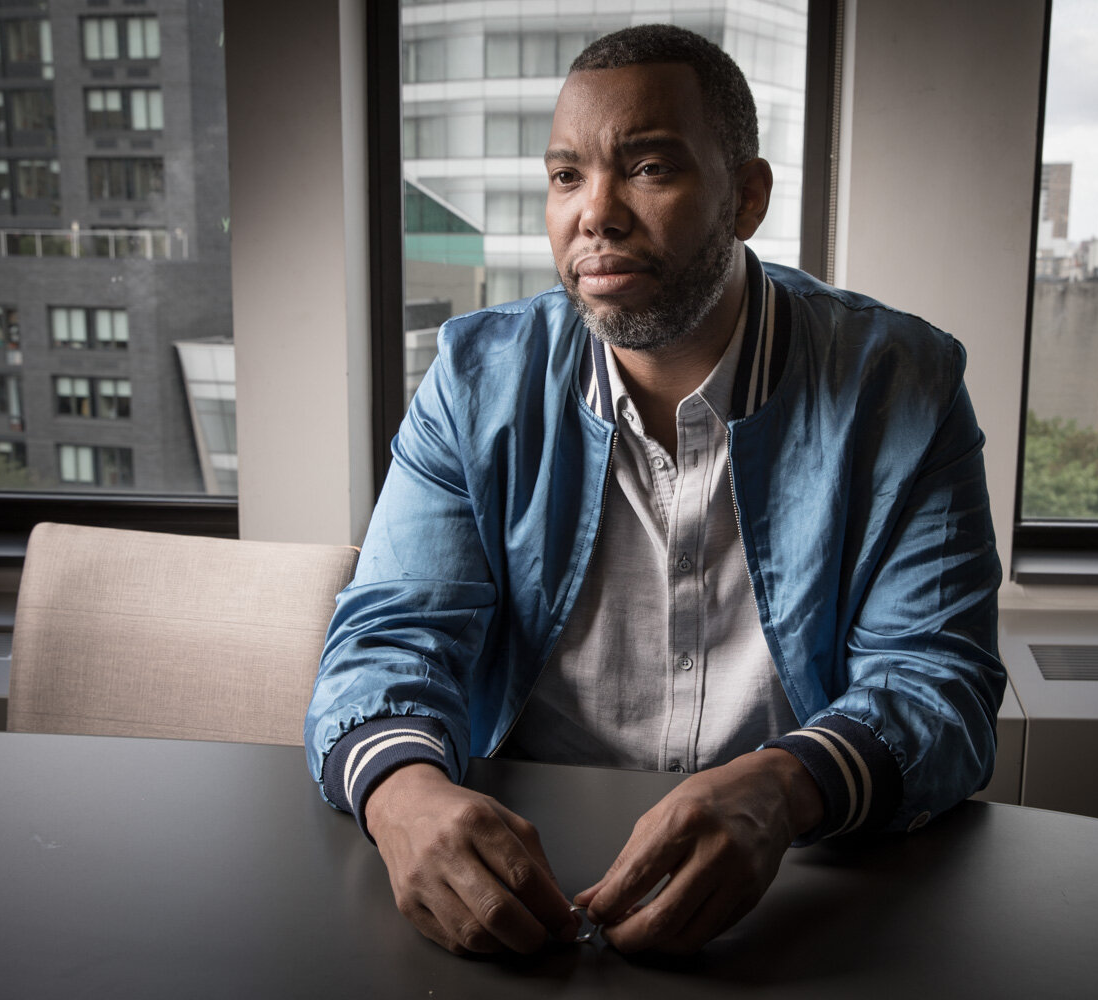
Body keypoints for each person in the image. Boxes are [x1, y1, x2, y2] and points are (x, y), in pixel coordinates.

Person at [305, 23, 1004, 957]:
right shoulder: (475, 383)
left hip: (798, 886)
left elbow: (938, 680)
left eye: (647, 168)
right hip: (523, 882)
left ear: (746, 197)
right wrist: (404, 796)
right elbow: (392, 633)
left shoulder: (901, 383)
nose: (595, 213)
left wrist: (784, 785)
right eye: (565, 177)